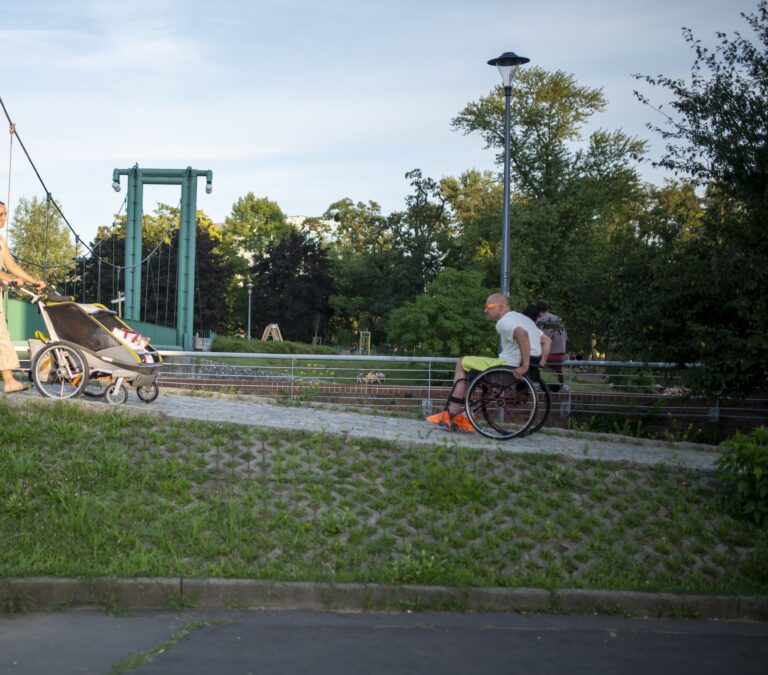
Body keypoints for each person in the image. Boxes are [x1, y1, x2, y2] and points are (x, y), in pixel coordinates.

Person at [426, 293, 551, 431]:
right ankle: (467, 414)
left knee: (462, 362)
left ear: (500, 306)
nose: (485, 310)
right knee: (472, 368)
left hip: (507, 367)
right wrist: (538, 365)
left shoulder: (504, 322)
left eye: (488, 306)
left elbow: (522, 334)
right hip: (527, 371)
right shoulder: (524, 319)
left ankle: (452, 413)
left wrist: (525, 365)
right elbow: (547, 341)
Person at [0, 201, 47, 394]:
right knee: (2, 336)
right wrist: (10, 280)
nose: (3, 218)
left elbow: (11, 265)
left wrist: (33, 280)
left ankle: (10, 380)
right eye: (0, 214)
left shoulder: (1, 240)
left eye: (4, 214)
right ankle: (9, 380)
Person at [535, 300, 568, 392]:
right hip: (560, 355)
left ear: (537, 310)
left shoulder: (538, 321)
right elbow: (565, 337)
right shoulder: (558, 319)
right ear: (548, 309)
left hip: (546, 356)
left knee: (534, 362)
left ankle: (537, 384)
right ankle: (562, 385)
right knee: (559, 369)